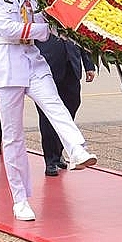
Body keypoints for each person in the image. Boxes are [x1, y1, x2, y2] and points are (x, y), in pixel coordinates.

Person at [0, 0, 98, 222]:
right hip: (8, 64)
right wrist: (41, 29)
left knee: (54, 104)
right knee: (13, 136)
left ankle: (76, 150)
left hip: (32, 60)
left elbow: (47, 21)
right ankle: (20, 199)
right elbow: (8, 29)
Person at [35, 34, 96, 176]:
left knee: (72, 106)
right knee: (47, 114)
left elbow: (81, 34)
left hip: (71, 63)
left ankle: (58, 151)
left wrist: (89, 64)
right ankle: (50, 160)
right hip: (47, 63)